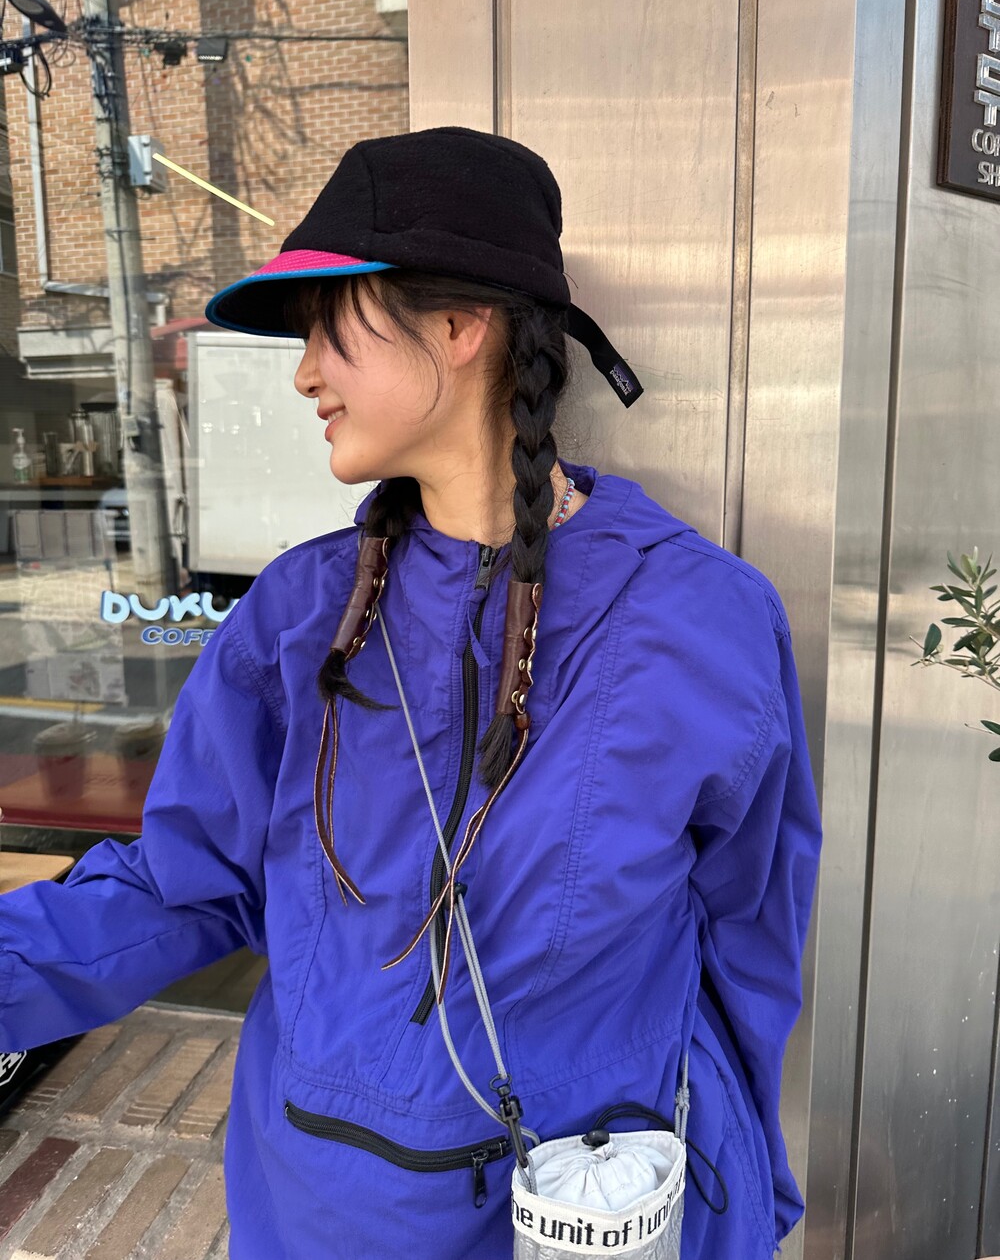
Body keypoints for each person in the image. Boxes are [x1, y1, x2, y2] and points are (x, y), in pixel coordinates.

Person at [0, 126, 822, 1258]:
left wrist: (742, 1199)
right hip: (320, 1210)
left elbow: (749, 940)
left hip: (589, 1209)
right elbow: (182, 888)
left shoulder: (702, 618)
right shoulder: (295, 618)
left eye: (327, 325)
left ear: (457, 325)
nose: (303, 373)